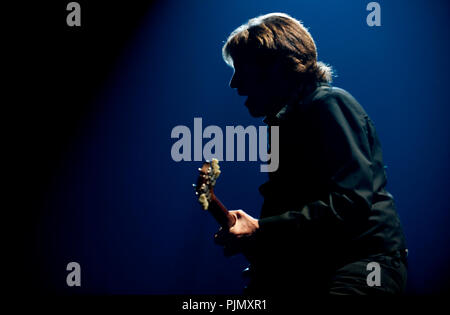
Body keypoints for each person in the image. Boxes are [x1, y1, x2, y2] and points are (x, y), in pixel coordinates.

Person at [214, 13, 408, 295]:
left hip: (361, 267)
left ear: (276, 67)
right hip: (321, 270)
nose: (234, 83)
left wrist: (262, 230)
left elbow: (350, 201)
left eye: (242, 68)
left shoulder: (329, 104)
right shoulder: (283, 125)